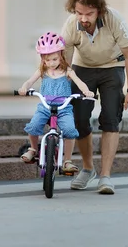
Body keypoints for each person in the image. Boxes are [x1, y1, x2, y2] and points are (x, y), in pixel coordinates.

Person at [61, 0, 128, 195]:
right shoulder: (71, 25)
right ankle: (88, 169)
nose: (83, 18)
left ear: (100, 11)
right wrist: (59, 89)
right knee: (78, 118)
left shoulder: (114, 20)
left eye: (89, 14)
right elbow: (65, 62)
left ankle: (105, 176)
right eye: (79, 13)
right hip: (83, 69)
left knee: (110, 119)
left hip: (111, 68)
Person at [17, 32, 95, 174]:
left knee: (70, 130)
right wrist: (24, 88)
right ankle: (33, 149)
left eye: (54, 59)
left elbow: (79, 82)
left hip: (64, 107)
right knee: (33, 126)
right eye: (47, 60)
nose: (51, 63)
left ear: (60, 55)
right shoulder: (42, 70)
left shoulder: (67, 71)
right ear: (42, 59)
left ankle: (67, 160)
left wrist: (87, 91)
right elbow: (29, 81)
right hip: (45, 106)